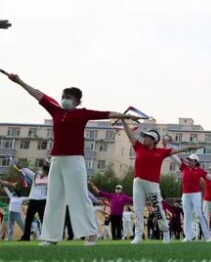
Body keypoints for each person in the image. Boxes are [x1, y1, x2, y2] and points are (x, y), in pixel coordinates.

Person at [5, 72, 138, 246]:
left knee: (79, 196)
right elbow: (36, 93)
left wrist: (126, 116)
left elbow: (106, 113)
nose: (64, 99)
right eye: (63, 96)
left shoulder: (83, 114)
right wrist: (19, 81)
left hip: (75, 160)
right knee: (53, 198)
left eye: (68, 97)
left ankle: (91, 234)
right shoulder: (55, 110)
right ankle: (51, 237)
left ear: (76, 101)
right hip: (56, 160)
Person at [121, 119, 200, 245]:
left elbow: (177, 150)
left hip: (152, 184)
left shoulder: (161, 152)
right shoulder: (138, 147)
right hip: (138, 182)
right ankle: (138, 236)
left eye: (147, 137)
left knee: (158, 209)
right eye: (144, 136)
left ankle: (165, 232)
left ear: (153, 140)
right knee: (138, 210)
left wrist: (191, 147)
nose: (144, 139)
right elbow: (129, 134)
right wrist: (124, 122)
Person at [165, 149, 211, 242]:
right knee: (191, 216)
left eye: (191, 160)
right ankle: (191, 236)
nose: (189, 161)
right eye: (189, 160)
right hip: (196, 198)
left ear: (195, 162)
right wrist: (169, 152)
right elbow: (176, 160)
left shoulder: (200, 171)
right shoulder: (185, 168)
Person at [10, 158, 48, 241]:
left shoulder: (45, 178)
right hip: (35, 201)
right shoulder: (35, 176)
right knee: (28, 220)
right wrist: (16, 162)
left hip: (41, 201)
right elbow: (24, 169)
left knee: (43, 220)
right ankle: (26, 237)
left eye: (42, 170)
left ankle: (45, 237)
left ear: (46, 172)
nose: (40, 171)